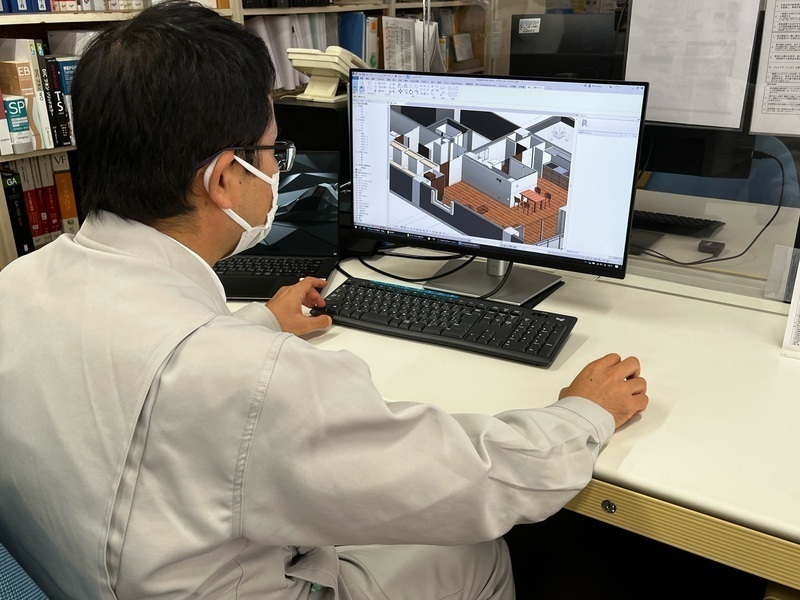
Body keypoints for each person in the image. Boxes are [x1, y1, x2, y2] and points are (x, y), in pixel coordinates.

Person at [0, 2, 648, 598]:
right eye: (270, 151)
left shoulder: (18, 286)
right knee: (477, 551)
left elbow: (144, 376)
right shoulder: (248, 381)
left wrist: (259, 322)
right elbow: (479, 479)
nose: (276, 169)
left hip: (95, 575)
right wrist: (584, 414)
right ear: (224, 178)